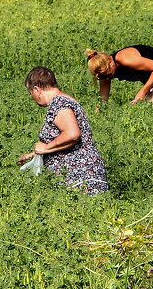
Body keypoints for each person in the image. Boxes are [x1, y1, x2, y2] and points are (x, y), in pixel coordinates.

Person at [17, 66, 109, 195]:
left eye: (30, 92)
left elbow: (72, 134)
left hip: (79, 178)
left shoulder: (59, 103)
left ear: (37, 89)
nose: (32, 97)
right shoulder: (65, 101)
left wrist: (46, 148)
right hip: (83, 174)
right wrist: (34, 154)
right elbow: (65, 142)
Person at [85, 45, 153, 109]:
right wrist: (97, 114)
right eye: (102, 78)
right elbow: (103, 100)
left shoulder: (125, 58)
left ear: (110, 62)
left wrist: (143, 91)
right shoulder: (105, 72)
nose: (107, 78)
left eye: (108, 75)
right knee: (144, 115)